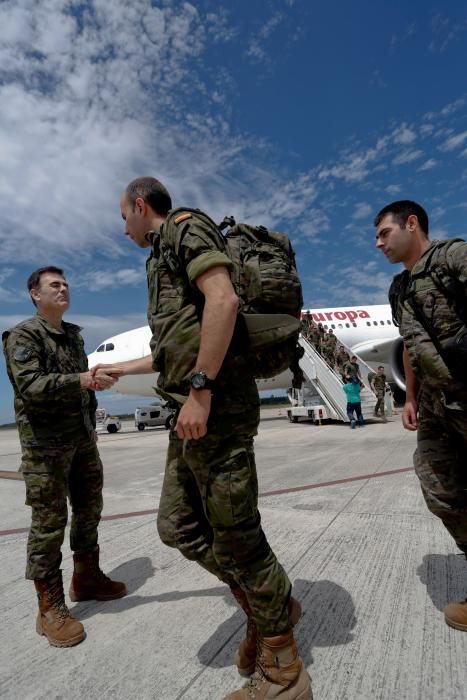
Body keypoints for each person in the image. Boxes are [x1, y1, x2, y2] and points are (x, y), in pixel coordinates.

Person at [92, 177, 312, 699]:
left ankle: (283, 669)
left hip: (216, 411)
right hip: (189, 413)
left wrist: (201, 390)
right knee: (178, 525)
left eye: (123, 217)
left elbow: (224, 299)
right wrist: (119, 369)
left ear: (140, 206)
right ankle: (271, 608)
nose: (123, 228)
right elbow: (176, 346)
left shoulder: (186, 229)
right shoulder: (159, 258)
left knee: (237, 533)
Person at [2, 267, 127, 648]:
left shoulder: (73, 337)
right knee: (49, 521)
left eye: (66, 283)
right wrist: (82, 380)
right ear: (34, 294)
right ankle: (48, 607)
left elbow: (82, 387)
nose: (64, 288)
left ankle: (86, 579)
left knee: (90, 509)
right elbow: (30, 385)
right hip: (45, 447)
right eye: (54, 285)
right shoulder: (23, 336)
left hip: (81, 442)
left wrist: (90, 413)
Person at [375, 199, 467, 631]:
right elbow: (410, 345)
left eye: (383, 234)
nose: (378, 244)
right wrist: (409, 397)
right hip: (433, 405)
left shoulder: (452, 258)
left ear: (411, 224)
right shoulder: (399, 288)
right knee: (439, 488)